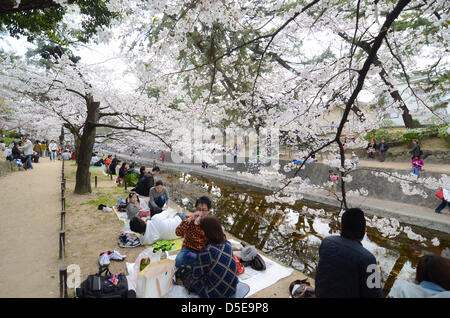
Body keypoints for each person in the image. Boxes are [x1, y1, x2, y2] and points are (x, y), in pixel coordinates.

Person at [314, 208, 382, 298]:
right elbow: (375, 295)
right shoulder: (368, 258)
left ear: (341, 225)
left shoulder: (327, 242)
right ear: (364, 230)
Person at [188, 215, 239, 298]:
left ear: (205, 232)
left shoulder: (207, 251)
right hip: (232, 290)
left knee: (187, 273)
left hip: (214, 294)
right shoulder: (227, 244)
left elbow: (196, 275)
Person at [175, 196, 212, 268]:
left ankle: (194, 260)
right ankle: (193, 261)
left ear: (208, 211)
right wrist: (190, 219)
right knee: (178, 261)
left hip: (201, 250)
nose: (200, 212)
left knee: (207, 263)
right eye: (198, 209)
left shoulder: (210, 223)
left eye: (203, 210)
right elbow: (178, 232)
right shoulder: (190, 218)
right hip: (188, 247)